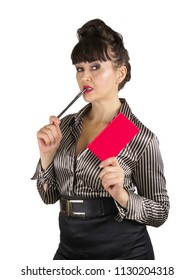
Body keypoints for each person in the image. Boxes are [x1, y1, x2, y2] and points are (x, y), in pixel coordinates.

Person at [32, 18, 170, 260]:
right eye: (80, 68)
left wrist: (122, 195)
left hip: (124, 255)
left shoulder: (135, 136)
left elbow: (160, 212)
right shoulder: (66, 126)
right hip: (69, 251)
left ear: (120, 73)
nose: (85, 77)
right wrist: (47, 157)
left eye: (95, 67)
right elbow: (49, 197)